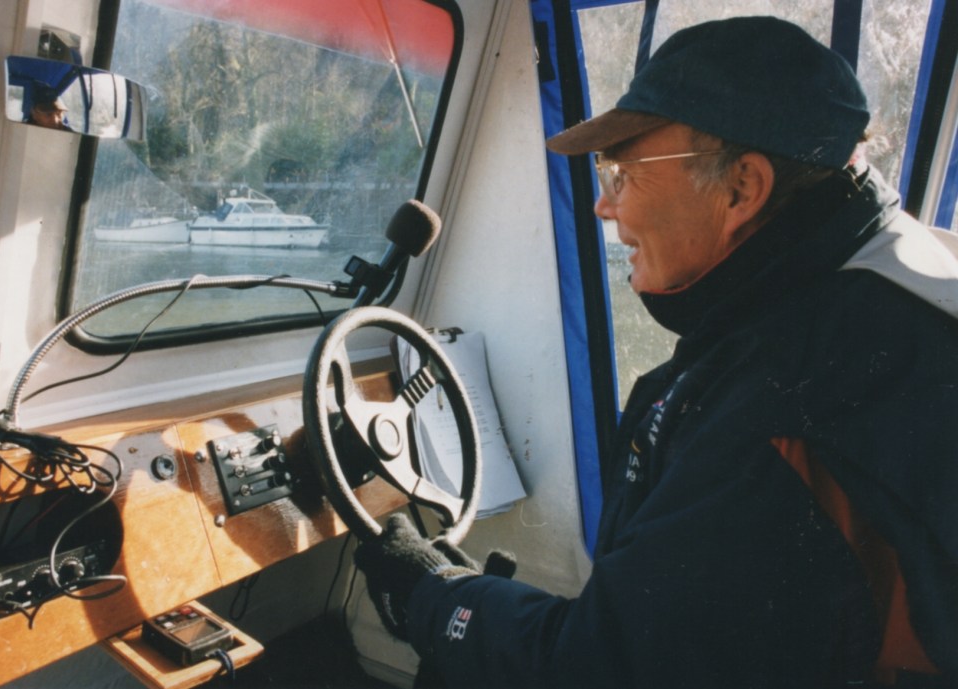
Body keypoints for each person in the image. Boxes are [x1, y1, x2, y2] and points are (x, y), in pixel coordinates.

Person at [353, 16, 958, 688]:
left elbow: (604, 666)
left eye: (622, 172)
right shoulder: (876, 284)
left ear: (742, 188)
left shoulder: (788, 395)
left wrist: (434, 593)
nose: (602, 207)